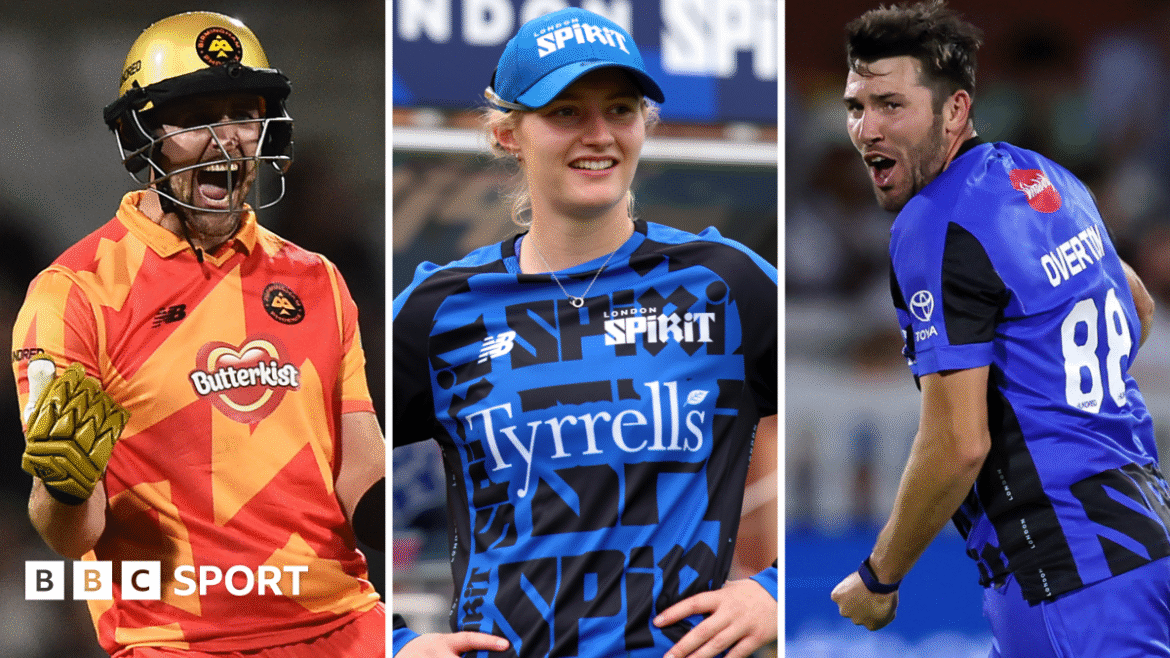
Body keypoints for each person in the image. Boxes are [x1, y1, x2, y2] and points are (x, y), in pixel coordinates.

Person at [391, 7, 778, 658]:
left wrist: (776, 591)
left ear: (645, 125)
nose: (598, 134)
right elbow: (317, 481)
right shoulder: (439, 308)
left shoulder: (727, 285)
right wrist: (393, 641)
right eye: (566, 112)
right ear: (508, 133)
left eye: (620, 109)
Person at [12, 11, 386, 657]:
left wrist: (444, 493)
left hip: (345, 629)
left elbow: (361, 472)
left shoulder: (317, 279)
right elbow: (71, 536)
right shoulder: (74, 293)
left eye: (243, 113)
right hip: (176, 642)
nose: (227, 139)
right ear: (142, 135)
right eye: (194, 119)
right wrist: (64, 486)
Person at [830, 1, 1170, 655]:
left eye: (891, 105)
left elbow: (959, 444)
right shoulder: (1051, 179)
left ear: (955, 110)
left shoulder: (934, 222)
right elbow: (1139, 308)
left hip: (1067, 578)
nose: (866, 129)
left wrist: (880, 577)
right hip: (1144, 544)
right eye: (855, 106)